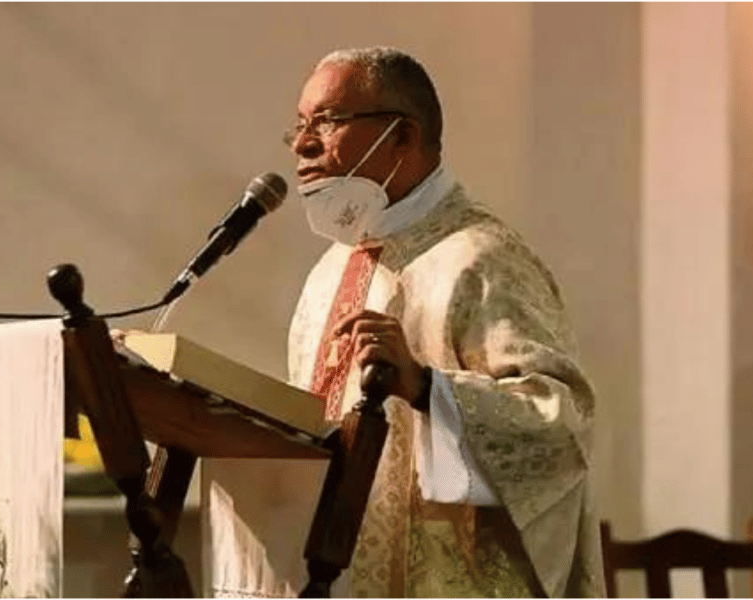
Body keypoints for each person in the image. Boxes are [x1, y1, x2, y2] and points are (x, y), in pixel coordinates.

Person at [206, 47, 603, 598]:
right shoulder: (330, 271)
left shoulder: (481, 258)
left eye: (328, 121)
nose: (303, 145)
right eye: (299, 125)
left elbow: (561, 426)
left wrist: (426, 389)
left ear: (402, 137)